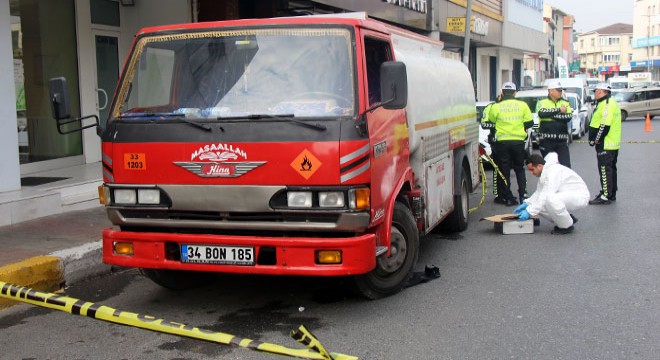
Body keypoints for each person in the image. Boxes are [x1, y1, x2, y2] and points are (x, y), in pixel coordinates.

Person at [514, 153, 590, 235]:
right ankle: (566, 218)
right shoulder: (545, 173)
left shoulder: (553, 172)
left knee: (550, 199)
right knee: (538, 203)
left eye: (532, 170)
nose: (531, 173)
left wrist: (529, 211)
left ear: (539, 166)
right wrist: (528, 203)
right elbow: (539, 192)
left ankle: (566, 226)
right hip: (567, 194)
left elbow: (545, 195)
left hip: (580, 195)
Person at [486, 82, 533, 206]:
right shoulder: (523, 105)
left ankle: (508, 197)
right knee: (519, 169)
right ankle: (523, 195)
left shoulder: (496, 107)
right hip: (518, 142)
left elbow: (491, 122)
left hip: (502, 143)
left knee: (504, 170)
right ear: (515, 92)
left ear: (502, 92)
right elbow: (529, 123)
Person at [588, 82, 621, 205]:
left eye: (595, 91)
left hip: (606, 143)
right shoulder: (608, 102)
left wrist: (596, 140)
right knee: (611, 169)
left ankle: (606, 195)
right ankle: (611, 193)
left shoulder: (607, 105)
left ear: (601, 91)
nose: (595, 94)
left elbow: (604, 126)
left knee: (604, 169)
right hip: (611, 143)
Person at [536, 80, 574, 167]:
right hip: (546, 141)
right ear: (550, 91)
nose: (560, 92)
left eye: (561, 90)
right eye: (558, 90)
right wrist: (559, 110)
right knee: (550, 166)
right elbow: (541, 114)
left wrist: (551, 116)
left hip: (562, 141)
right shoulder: (542, 102)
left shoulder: (565, 102)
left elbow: (568, 117)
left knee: (566, 166)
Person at [480, 94, 506, 204]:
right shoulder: (490, 107)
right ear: (499, 96)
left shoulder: (511, 107)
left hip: (511, 142)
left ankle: (508, 193)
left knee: (509, 169)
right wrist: (497, 125)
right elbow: (484, 124)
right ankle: (498, 194)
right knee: (497, 168)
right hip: (496, 142)